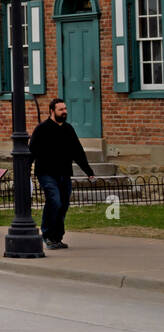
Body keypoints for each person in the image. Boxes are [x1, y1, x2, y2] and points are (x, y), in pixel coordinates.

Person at [28, 98, 94, 250]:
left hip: (64, 173)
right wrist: (25, 170)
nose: (65, 112)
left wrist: (88, 171)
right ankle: (47, 234)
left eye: (65, 109)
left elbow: (77, 152)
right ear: (52, 111)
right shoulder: (42, 129)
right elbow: (32, 151)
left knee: (63, 205)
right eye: (61, 110)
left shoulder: (68, 129)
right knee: (54, 201)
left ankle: (57, 237)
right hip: (46, 173)